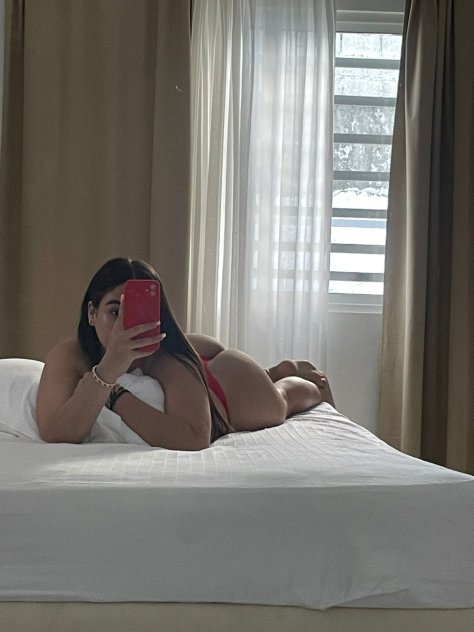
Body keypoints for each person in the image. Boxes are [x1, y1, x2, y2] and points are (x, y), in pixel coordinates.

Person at [36, 257, 335, 450]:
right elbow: (55, 432)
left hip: (228, 388)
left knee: (279, 403)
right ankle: (271, 371)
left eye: (134, 312)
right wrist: (108, 368)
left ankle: (288, 374)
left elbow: (194, 438)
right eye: (115, 311)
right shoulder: (71, 354)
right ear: (92, 313)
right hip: (195, 363)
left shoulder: (167, 359)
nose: (125, 325)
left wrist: (115, 395)